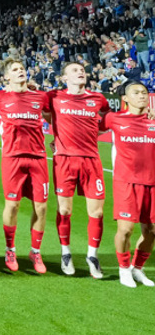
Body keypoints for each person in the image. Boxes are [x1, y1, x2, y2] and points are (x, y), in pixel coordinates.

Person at [47, 61, 108, 278]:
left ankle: (92, 256)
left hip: (91, 160)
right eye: (74, 70)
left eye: (82, 70)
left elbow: (110, 118)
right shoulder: (54, 96)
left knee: (97, 212)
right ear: (64, 78)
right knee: (64, 210)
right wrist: (57, 135)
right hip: (64, 161)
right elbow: (41, 112)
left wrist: (93, 133)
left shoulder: (97, 98)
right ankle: (66, 253)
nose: (80, 72)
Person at [0, 60, 51, 274]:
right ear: (7, 77)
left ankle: (35, 251)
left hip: (38, 157)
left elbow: (53, 119)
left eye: (22, 68)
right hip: (12, 158)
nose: (20, 71)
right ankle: (10, 249)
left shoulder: (40, 96)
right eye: (15, 70)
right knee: (13, 205)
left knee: (41, 207)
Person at [101, 82, 155, 288]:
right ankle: (124, 269)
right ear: (125, 99)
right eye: (136, 93)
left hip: (152, 182)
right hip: (126, 181)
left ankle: (137, 268)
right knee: (125, 230)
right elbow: (89, 131)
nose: (142, 96)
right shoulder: (114, 118)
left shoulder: (153, 119)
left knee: (152, 230)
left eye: (144, 92)